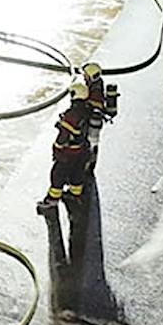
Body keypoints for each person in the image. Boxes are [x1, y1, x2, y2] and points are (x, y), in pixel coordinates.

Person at [38, 83, 95, 224]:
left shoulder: (72, 115)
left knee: (57, 176)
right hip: (81, 152)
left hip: (67, 155)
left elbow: (63, 137)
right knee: (77, 175)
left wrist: (57, 148)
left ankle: (51, 201)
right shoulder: (88, 110)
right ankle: (74, 195)